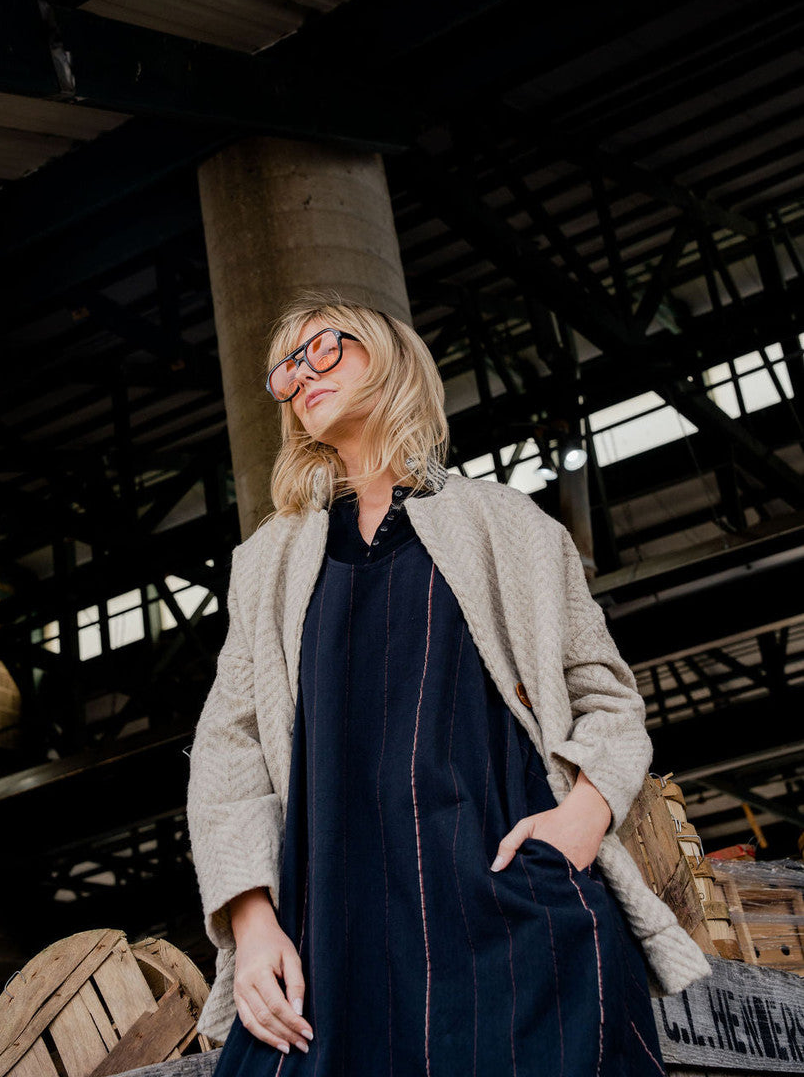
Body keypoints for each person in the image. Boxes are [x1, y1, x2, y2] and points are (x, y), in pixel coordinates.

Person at [187, 291, 710, 1075]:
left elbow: (607, 696)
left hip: (513, 914)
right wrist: (253, 923)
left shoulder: (509, 525)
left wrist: (577, 823)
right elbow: (227, 751)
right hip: (332, 931)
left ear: (388, 354)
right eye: (285, 370)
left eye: (322, 348)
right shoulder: (266, 564)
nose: (301, 376)